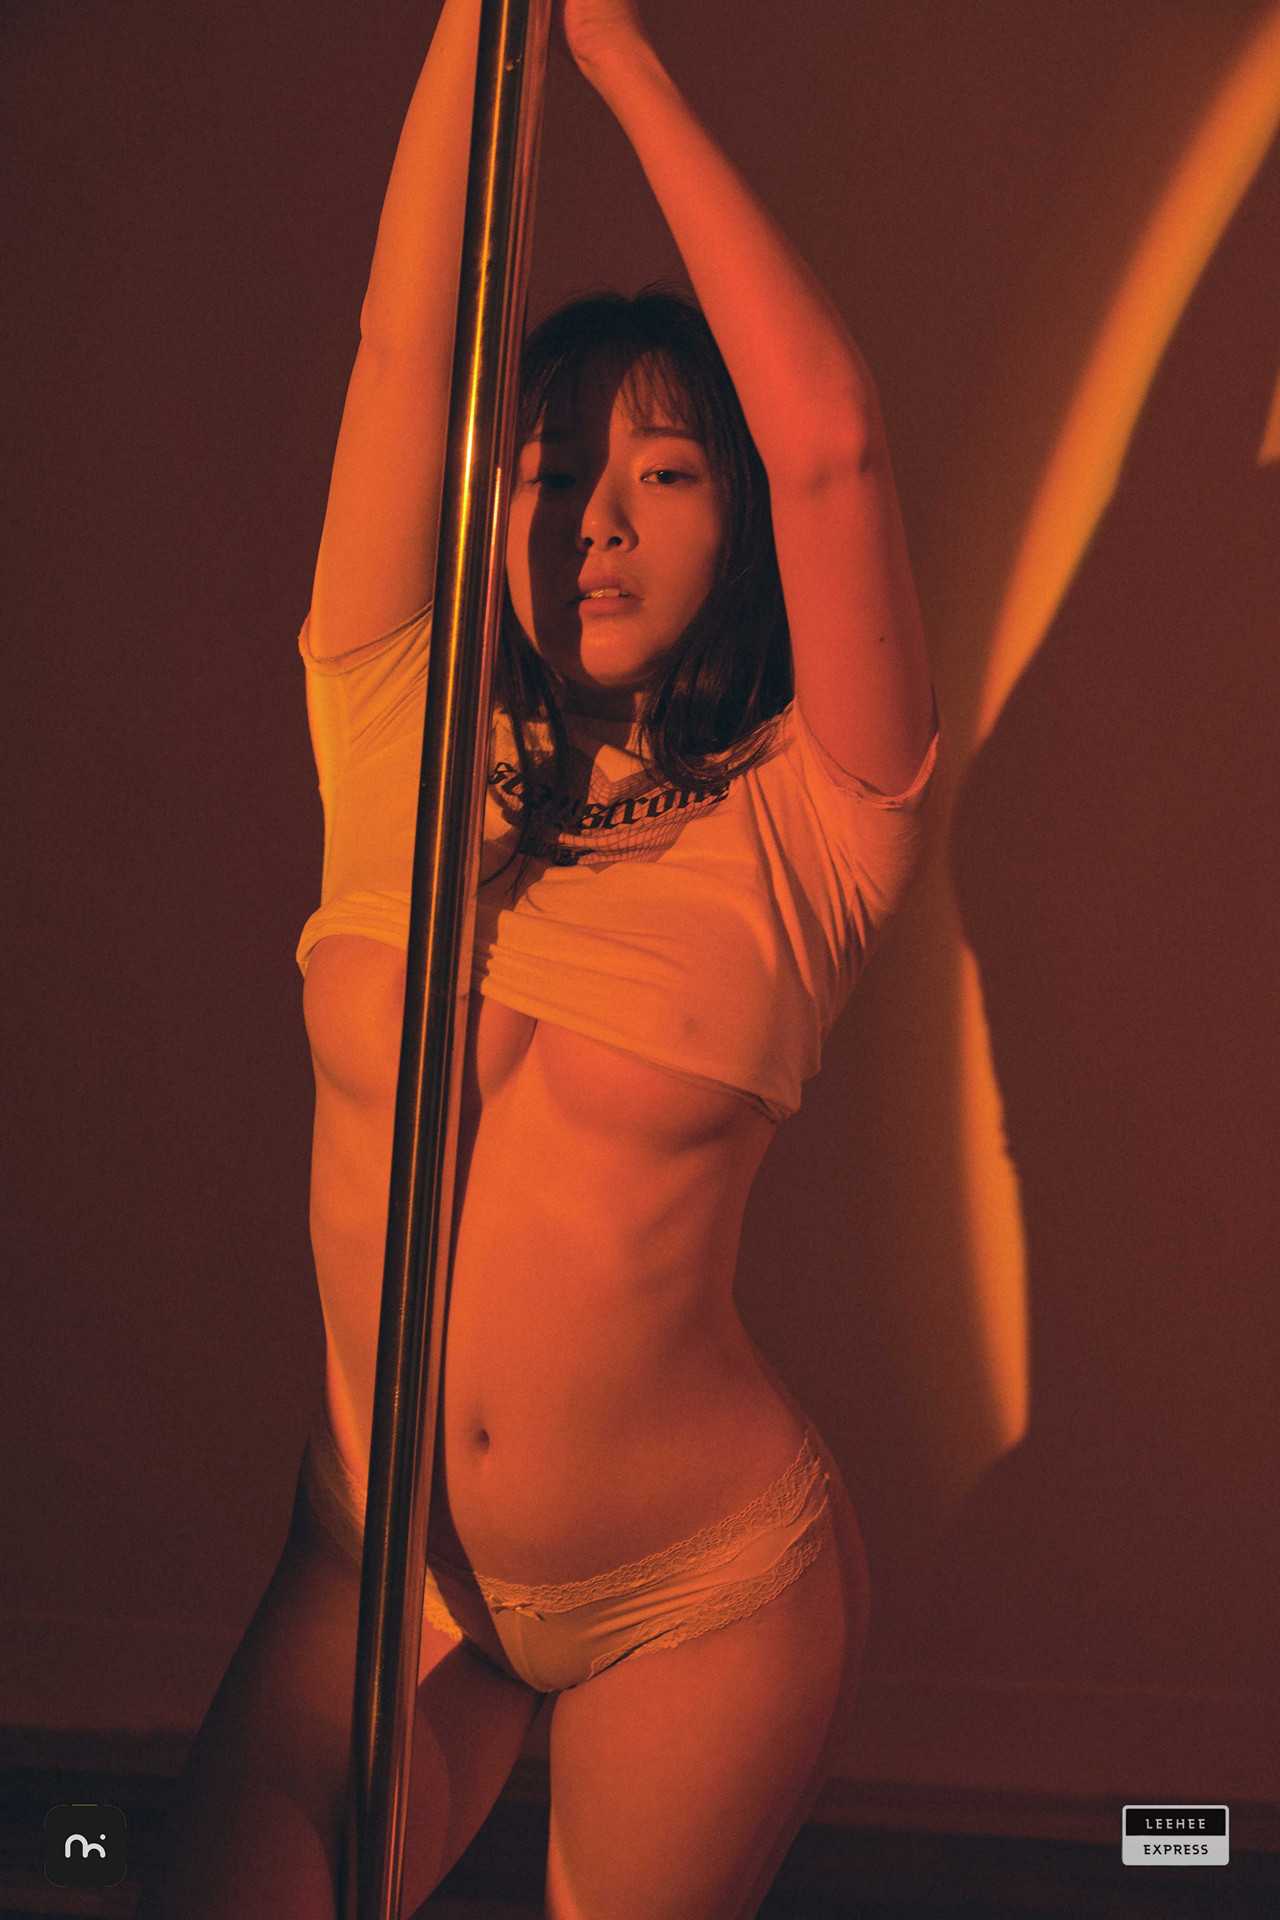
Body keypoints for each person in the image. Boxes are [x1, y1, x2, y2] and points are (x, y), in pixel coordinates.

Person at [137, 0, 940, 1915]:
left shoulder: (815, 820)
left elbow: (834, 447)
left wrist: (607, 47)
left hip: (695, 1593)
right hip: (379, 1566)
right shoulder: (393, 733)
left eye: (664, 473)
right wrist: (472, 23)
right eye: (550, 467)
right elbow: (405, 348)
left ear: (736, 522)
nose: (591, 520)